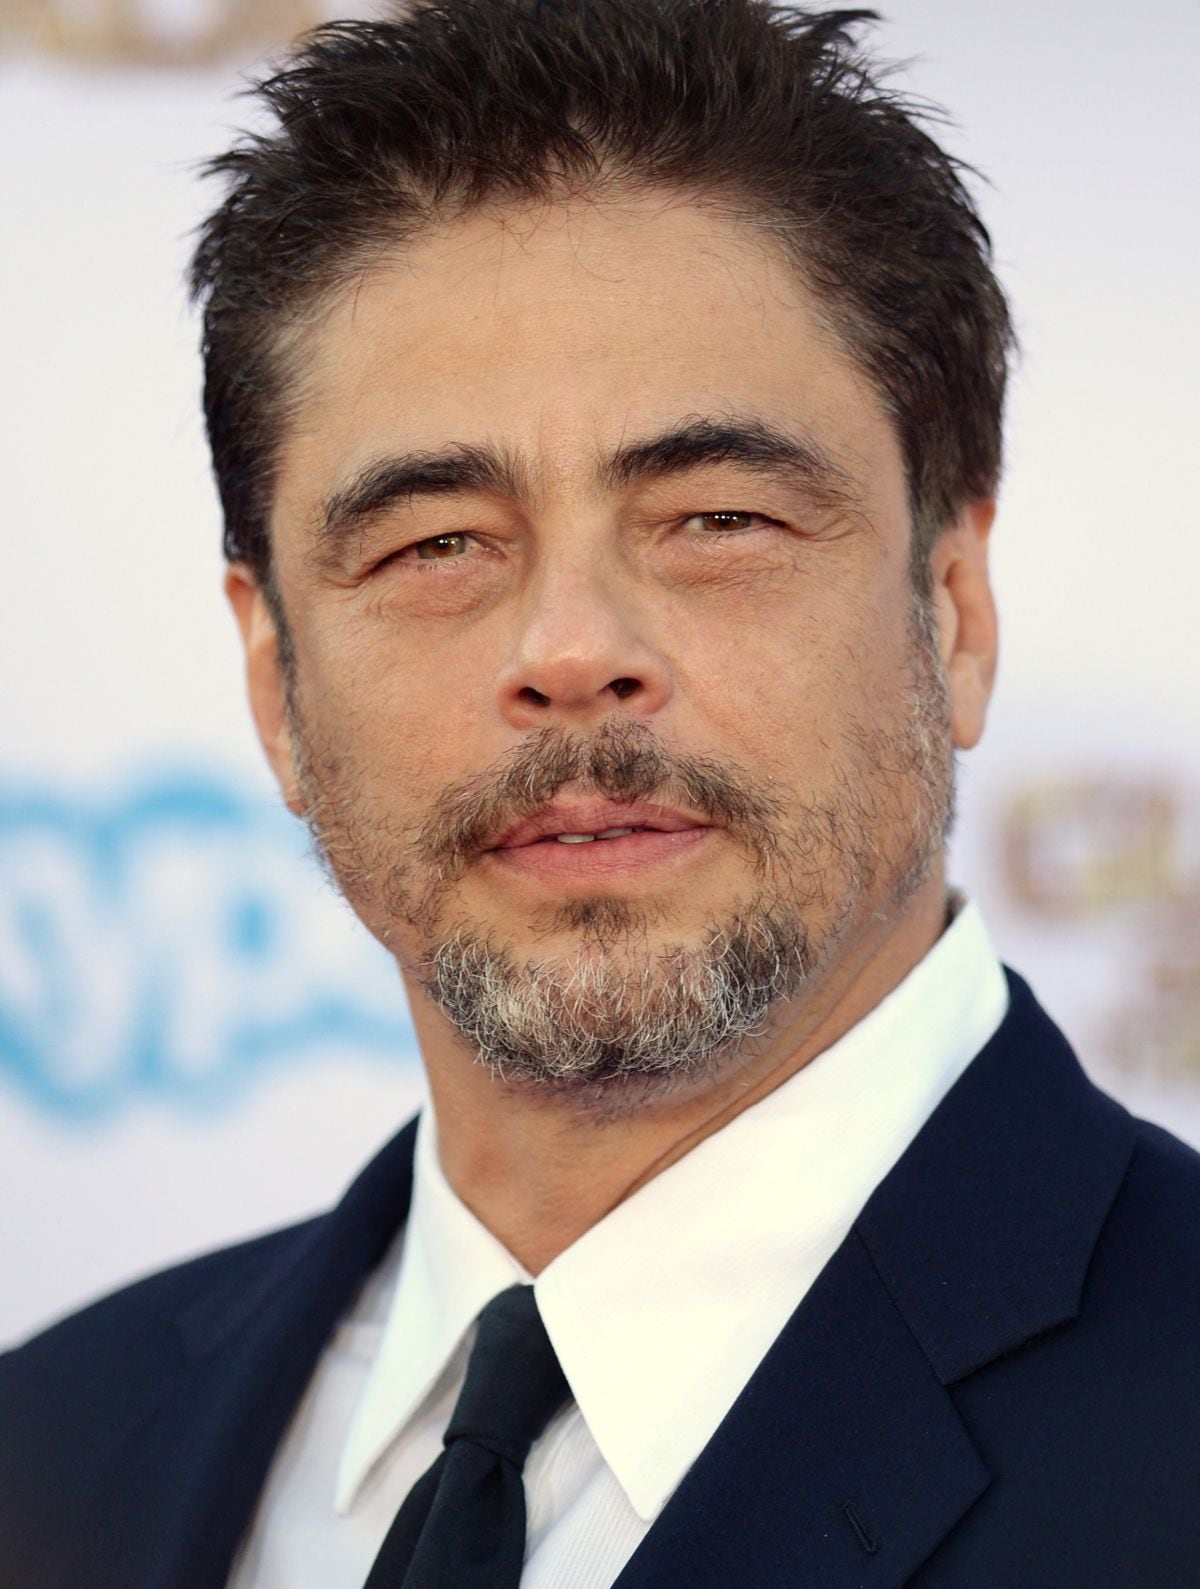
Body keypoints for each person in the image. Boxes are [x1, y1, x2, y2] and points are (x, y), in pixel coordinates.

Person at [3, 0, 1199, 1584]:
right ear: (276, 681)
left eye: (718, 518)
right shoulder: (49, 1444)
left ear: (955, 613)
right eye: (437, 543)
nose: (572, 651)